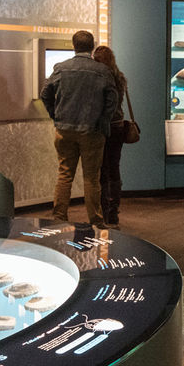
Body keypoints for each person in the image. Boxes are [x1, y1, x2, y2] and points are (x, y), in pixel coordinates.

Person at [40, 30, 119, 226]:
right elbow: (112, 99)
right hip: (92, 131)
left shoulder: (61, 68)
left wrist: (55, 115)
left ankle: (59, 217)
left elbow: (45, 94)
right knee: (92, 178)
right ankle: (96, 221)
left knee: (65, 174)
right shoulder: (102, 71)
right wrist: (103, 121)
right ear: (91, 47)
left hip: (64, 130)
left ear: (74, 46)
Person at [92, 44, 129, 227]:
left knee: (102, 170)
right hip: (119, 126)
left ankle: (104, 211)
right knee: (115, 167)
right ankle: (114, 211)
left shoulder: (99, 78)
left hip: (103, 127)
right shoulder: (120, 77)